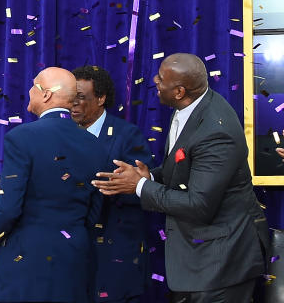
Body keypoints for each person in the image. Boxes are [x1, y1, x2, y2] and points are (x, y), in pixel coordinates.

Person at [93, 53, 270, 302]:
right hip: (197, 260)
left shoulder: (215, 132)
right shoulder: (189, 106)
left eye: (161, 79)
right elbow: (183, 171)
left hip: (221, 262)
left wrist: (140, 186)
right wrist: (150, 177)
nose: (155, 80)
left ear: (179, 91)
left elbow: (198, 204)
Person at [0, 67, 106, 303]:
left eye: (34, 86)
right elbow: (94, 208)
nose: (29, 91)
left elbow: (10, 206)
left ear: (46, 94)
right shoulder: (94, 144)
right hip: (75, 257)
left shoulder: (21, 137)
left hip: (28, 259)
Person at [70, 65, 151, 303]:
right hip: (72, 258)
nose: (73, 104)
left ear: (101, 98)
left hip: (115, 257)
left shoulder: (128, 135)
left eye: (81, 98)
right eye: (71, 98)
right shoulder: (61, 134)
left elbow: (143, 190)